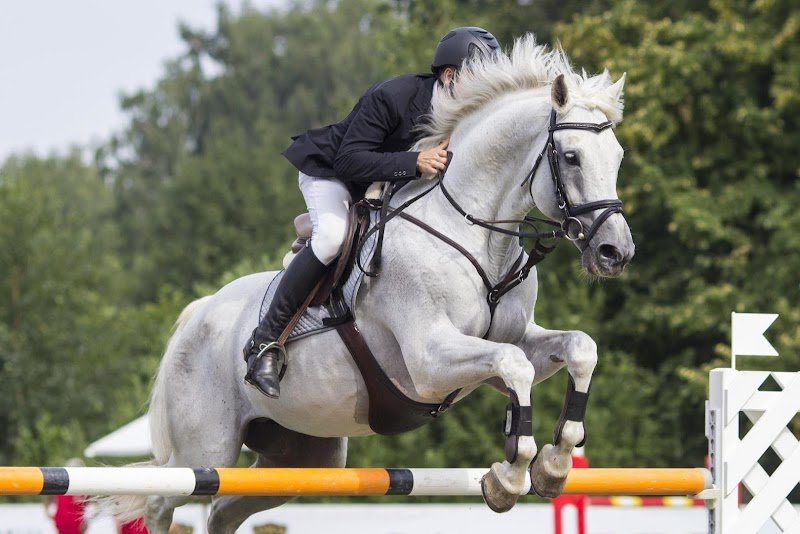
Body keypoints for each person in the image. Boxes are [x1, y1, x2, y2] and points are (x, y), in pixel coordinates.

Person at [243, 27, 501, 398]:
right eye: (479, 79)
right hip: (331, 173)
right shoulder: (394, 96)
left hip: (380, 184)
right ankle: (264, 343)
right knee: (332, 238)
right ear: (450, 76)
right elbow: (348, 160)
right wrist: (414, 162)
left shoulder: (465, 115)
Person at [43, 459, 87, 534]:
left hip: (77, 525)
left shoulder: (84, 486)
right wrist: (47, 511)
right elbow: (47, 496)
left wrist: (87, 520)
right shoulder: (60, 483)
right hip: (62, 523)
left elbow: (91, 502)